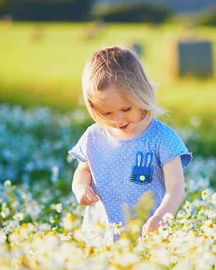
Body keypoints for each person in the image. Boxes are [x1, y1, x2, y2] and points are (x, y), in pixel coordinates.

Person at [69, 46, 192, 239]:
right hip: (100, 236)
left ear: (141, 93)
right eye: (106, 112)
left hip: (146, 234)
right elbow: (84, 170)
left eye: (126, 109)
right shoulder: (93, 136)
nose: (118, 119)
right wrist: (80, 188)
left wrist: (161, 217)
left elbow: (176, 187)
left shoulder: (162, 138)